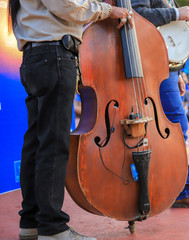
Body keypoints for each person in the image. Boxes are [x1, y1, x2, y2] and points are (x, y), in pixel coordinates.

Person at [8, 0, 133, 239]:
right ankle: (53, 228)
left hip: (37, 56)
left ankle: (32, 223)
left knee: (36, 144)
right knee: (53, 146)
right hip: (54, 55)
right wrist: (108, 10)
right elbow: (68, 6)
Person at [132, 0, 189, 208]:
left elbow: (169, 35)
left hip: (165, 68)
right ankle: (181, 190)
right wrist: (175, 13)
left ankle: (170, 188)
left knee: (171, 129)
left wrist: (178, 72)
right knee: (177, 127)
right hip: (152, 65)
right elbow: (138, 14)